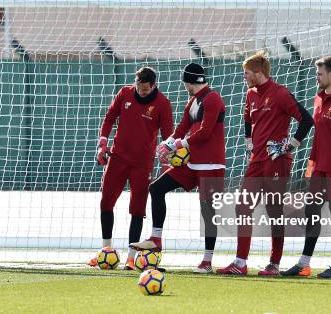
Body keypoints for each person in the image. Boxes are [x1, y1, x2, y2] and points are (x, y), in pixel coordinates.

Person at [217, 51, 313, 276]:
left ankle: (274, 264)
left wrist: (290, 145)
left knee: (274, 211)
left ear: (259, 73)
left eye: (247, 73)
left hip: (277, 162)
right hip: (256, 161)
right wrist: (248, 141)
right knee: (242, 206)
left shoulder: (280, 94)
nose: (244, 76)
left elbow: (306, 120)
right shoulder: (250, 94)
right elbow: (247, 120)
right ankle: (240, 263)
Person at [130, 63, 226, 274]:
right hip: (191, 163)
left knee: (208, 211)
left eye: (185, 82)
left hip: (211, 164)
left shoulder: (213, 98)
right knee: (156, 188)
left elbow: (205, 132)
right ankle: (156, 238)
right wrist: (167, 142)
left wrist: (176, 145)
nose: (184, 86)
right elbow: (182, 127)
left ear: (190, 81)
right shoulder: (193, 100)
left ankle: (207, 261)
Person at [88, 67, 173, 270]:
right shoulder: (124, 93)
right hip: (117, 158)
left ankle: (131, 258)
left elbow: (168, 136)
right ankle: (105, 250)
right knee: (106, 201)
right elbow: (109, 118)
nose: (140, 92)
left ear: (154, 86)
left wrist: (166, 164)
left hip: (142, 164)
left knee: (137, 209)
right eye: (138, 87)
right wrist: (102, 144)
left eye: (144, 90)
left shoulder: (163, 103)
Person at [281, 56, 331, 279]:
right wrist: (310, 166)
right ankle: (304, 264)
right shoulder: (318, 99)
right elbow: (317, 137)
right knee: (311, 211)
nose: (317, 77)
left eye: (320, 74)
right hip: (319, 170)